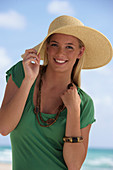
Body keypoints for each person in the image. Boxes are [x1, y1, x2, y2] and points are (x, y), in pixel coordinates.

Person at [0, 15, 112, 170]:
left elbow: (74, 165)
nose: (60, 53)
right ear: (46, 47)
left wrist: (73, 110)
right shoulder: (23, 73)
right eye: (54, 45)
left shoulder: (84, 103)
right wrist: (28, 81)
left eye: (69, 47)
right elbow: (4, 128)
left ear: (80, 52)